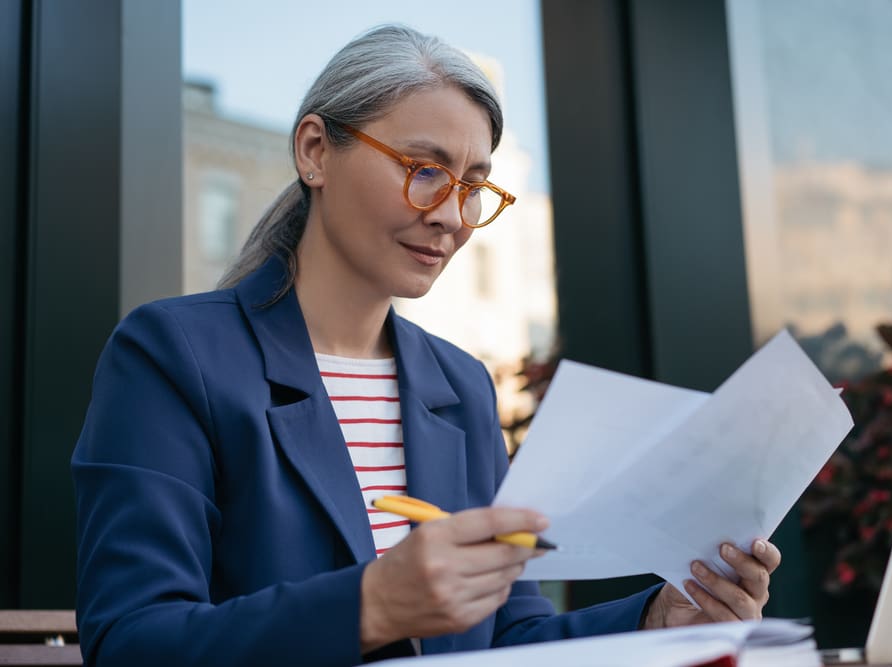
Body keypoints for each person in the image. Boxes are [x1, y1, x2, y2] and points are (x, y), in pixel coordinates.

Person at [72, 24, 781, 667]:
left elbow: (507, 638)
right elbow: (132, 641)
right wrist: (372, 605)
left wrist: (660, 619)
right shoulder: (173, 354)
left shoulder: (460, 384)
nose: (450, 216)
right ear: (315, 150)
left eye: (473, 185)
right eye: (424, 169)